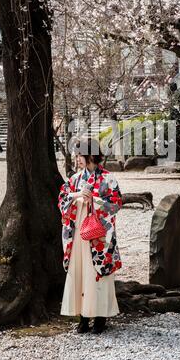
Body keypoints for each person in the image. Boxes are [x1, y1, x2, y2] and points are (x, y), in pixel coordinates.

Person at [58, 138, 122, 334]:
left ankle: (101, 318)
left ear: (91, 156)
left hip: (99, 236)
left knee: (97, 274)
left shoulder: (107, 178)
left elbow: (116, 203)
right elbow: (62, 199)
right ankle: (83, 318)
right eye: (77, 156)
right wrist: (77, 196)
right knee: (80, 273)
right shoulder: (75, 179)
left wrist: (93, 200)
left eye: (80, 155)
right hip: (78, 233)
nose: (77, 159)